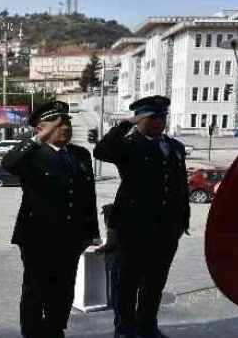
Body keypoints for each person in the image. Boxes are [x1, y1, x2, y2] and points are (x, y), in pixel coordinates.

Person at [93, 95, 190, 338]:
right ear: (139, 119)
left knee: (155, 282)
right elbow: (101, 150)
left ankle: (147, 326)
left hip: (167, 228)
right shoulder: (128, 144)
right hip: (133, 226)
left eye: (162, 117)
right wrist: (126, 123)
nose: (159, 122)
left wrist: (182, 221)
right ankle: (124, 329)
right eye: (152, 117)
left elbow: (180, 186)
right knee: (127, 282)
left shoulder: (174, 146)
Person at [2, 100, 100, 338]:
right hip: (38, 236)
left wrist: (91, 232)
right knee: (35, 291)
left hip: (72, 236)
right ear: (40, 129)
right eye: (57, 124)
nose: (64, 127)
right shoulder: (32, 153)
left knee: (64, 290)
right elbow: (9, 164)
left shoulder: (80, 154)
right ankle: (32, 332)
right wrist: (38, 139)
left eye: (67, 122)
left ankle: (56, 330)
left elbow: (88, 196)